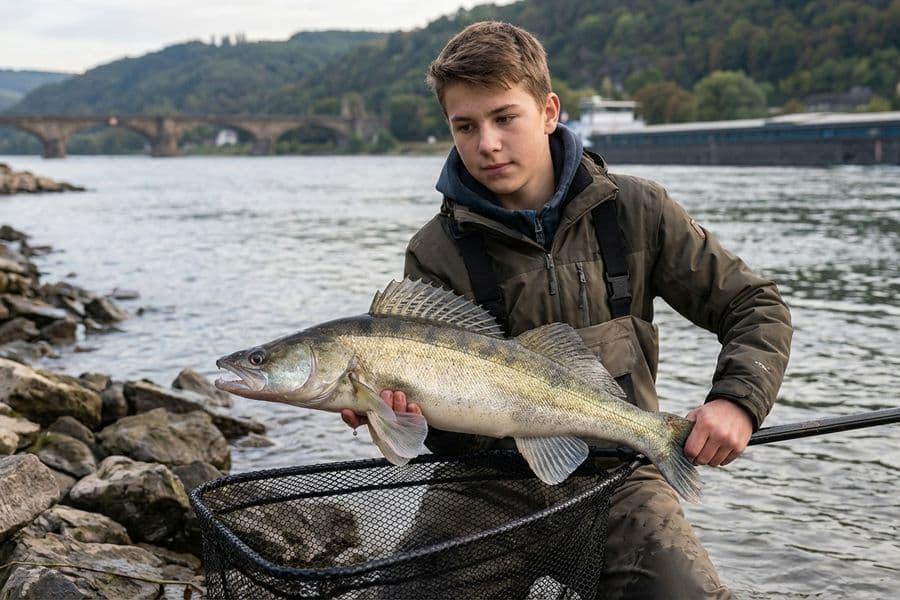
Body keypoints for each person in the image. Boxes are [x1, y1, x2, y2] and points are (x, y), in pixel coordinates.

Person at [342, 20, 792, 599]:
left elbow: (756, 305)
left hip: (620, 476)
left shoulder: (638, 209)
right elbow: (449, 441)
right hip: (484, 486)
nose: (487, 144)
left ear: (549, 111)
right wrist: (398, 416)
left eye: (505, 117)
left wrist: (737, 401)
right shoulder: (434, 252)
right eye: (465, 126)